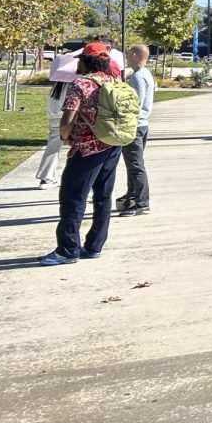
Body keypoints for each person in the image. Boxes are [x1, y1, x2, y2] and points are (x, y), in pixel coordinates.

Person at [39, 42, 128, 265]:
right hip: (111, 144)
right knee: (103, 196)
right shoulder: (114, 82)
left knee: (72, 197)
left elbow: (67, 119)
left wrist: (65, 137)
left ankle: (68, 250)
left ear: (85, 61)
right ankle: (95, 245)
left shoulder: (81, 84)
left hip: (87, 148)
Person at [118, 44, 155, 217]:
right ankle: (132, 194)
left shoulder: (139, 77)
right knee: (132, 164)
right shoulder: (145, 74)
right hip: (141, 124)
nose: (126, 56)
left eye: (127, 53)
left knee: (135, 165)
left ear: (134, 55)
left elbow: (135, 103)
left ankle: (141, 203)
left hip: (135, 126)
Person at [37, 81, 67, 188]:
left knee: (52, 148)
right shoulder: (73, 85)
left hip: (54, 117)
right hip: (66, 118)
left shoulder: (56, 86)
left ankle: (45, 178)